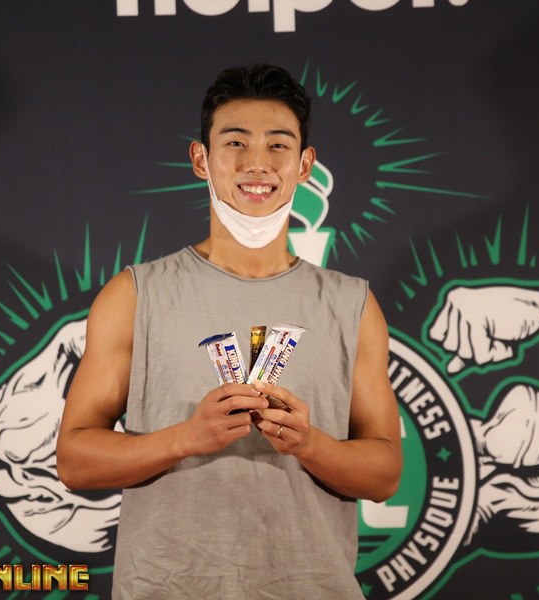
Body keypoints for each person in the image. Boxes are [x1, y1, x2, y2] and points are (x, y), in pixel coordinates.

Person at [56, 63, 402, 599]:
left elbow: (384, 474)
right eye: (235, 142)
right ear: (201, 159)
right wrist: (186, 439)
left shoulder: (351, 304)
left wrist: (310, 444)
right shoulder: (135, 295)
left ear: (305, 165)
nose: (256, 163)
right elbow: (76, 461)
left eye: (278, 145)